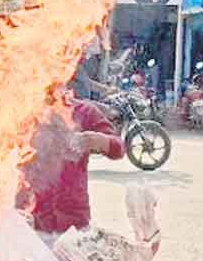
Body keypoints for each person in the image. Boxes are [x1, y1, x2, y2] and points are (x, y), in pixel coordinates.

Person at [21, 88, 125, 249]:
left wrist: (98, 141)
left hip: (74, 225)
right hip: (31, 224)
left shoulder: (85, 111)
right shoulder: (19, 111)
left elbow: (118, 149)